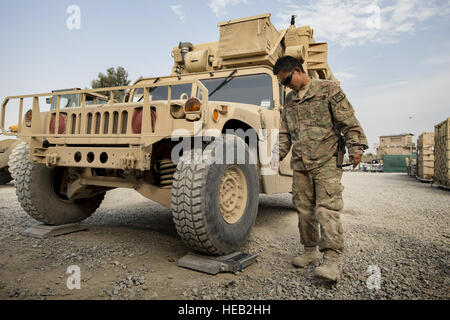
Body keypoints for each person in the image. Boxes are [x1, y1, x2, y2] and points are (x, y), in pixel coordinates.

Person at [271, 56, 368, 282]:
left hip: (326, 162)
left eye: (286, 80)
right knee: (304, 210)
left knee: (327, 209)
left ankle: (331, 261)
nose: (286, 86)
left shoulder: (327, 90)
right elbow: (285, 132)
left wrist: (356, 148)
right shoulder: (290, 99)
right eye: (283, 84)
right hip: (301, 164)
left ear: (297, 70)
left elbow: (349, 122)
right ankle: (310, 250)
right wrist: (277, 155)